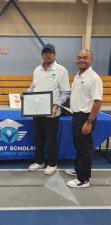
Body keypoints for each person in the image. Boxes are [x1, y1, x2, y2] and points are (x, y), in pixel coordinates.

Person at [28, 44, 70, 175]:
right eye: (45, 52)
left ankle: (52, 163)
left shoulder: (61, 70)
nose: (47, 55)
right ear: (42, 55)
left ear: (55, 54)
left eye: (50, 52)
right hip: (37, 111)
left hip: (52, 113)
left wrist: (56, 105)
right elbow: (33, 87)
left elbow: (65, 92)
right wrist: (27, 93)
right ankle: (39, 161)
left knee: (51, 140)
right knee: (38, 139)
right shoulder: (36, 70)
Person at [66, 49, 103, 188]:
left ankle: (84, 179)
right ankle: (78, 170)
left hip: (85, 118)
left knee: (85, 148)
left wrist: (89, 122)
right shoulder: (78, 75)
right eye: (79, 57)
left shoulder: (94, 78)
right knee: (78, 146)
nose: (81, 60)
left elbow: (97, 102)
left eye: (85, 58)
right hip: (76, 116)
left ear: (91, 60)